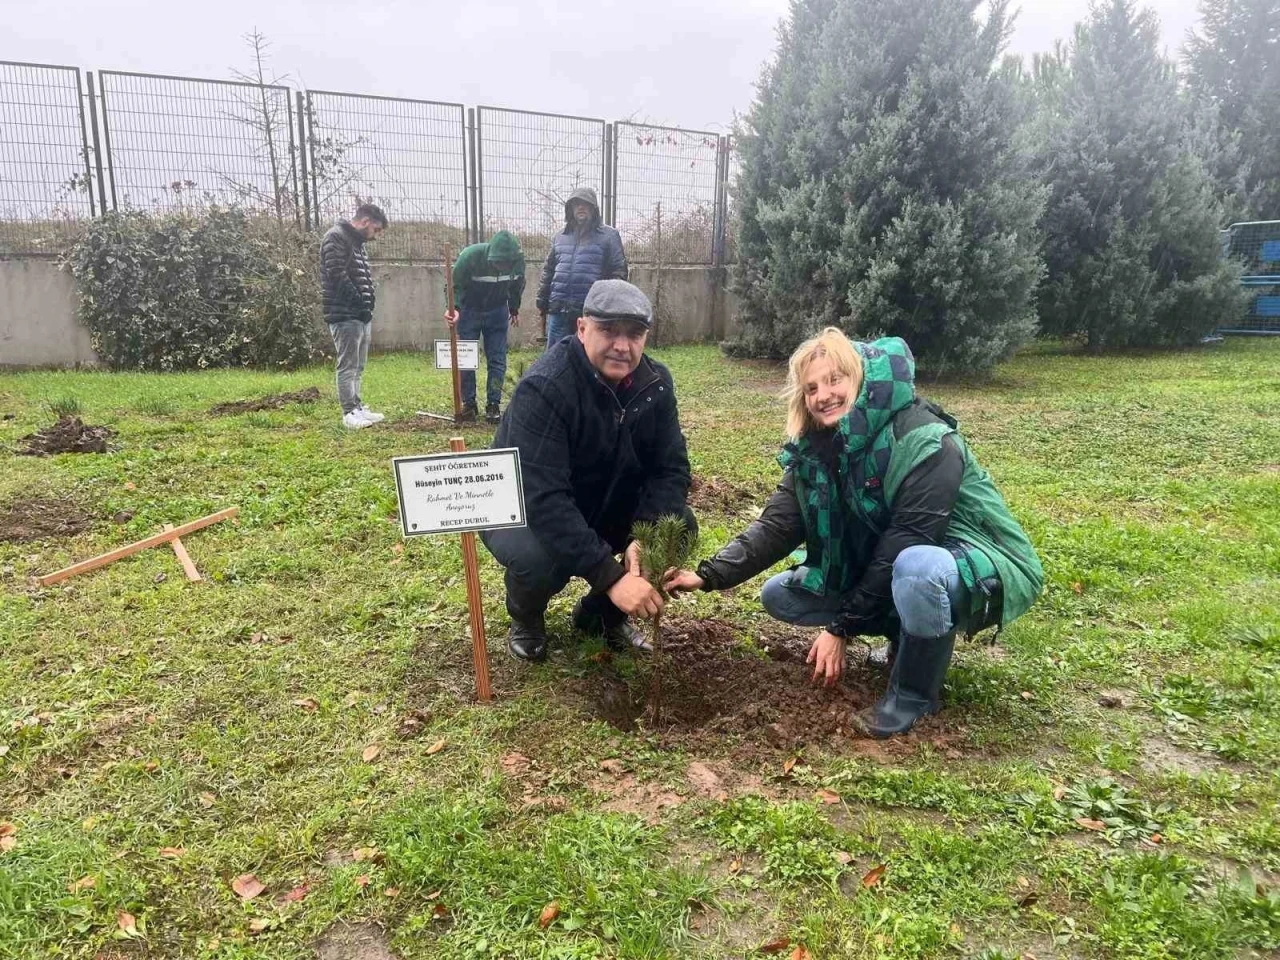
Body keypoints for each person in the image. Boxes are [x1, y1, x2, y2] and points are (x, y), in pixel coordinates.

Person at [664, 328, 1043, 738]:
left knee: (917, 568)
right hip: (893, 564)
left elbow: (909, 538)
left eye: (833, 379)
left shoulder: (922, 438)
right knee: (781, 595)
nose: (822, 395)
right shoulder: (817, 451)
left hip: (973, 558)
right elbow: (776, 526)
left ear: (859, 377)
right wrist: (708, 575)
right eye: (810, 388)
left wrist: (841, 627)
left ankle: (914, 695)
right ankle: (900, 633)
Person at [482, 279, 695, 663]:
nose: (622, 345)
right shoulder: (546, 387)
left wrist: (644, 533)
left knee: (675, 527)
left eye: (634, 334)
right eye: (608, 331)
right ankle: (527, 617)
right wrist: (610, 577)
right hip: (523, 509)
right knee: (538, 559)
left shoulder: (656, 384)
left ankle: (598, 617)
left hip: (601, 498)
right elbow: (543, 498)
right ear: (581, 329)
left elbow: (671, 468)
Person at [444, 230, 525, 423]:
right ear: (490, 255)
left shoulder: (518, 263)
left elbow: (517, 285)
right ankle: (469, 404)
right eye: (498, 263)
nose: (501, 267)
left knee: (497, 360)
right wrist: (453, 308)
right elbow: (454, 285)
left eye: (506, 264)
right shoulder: (470, 256)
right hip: (470, 310)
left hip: (497, 311)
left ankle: (493, 404)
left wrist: (514, 308)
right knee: (466, 358)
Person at [320, 203, 387, 429]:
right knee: (347, 365)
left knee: (358, 365)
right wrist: (359, 304)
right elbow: (337, 275)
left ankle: (357, 407)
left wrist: (368, 304)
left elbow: (362, 277)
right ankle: (348, 413)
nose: (376, 236)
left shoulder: (357, 243)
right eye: (376, 230)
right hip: (344, 314)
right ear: (365, 221)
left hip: (360, 315)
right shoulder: (336, 237)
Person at [535, 187, 628, 347]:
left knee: (588, 362)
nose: (581, 207)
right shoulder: (560, 236)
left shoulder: (609, 236)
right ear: (570, 208)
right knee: (555, 361)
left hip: (590, 313)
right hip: (559, 310)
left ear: (594, 208)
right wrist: (542, 301)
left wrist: (605, 304)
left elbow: (619, 272)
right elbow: (549, 270)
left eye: (586, 204)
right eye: (576, 204)